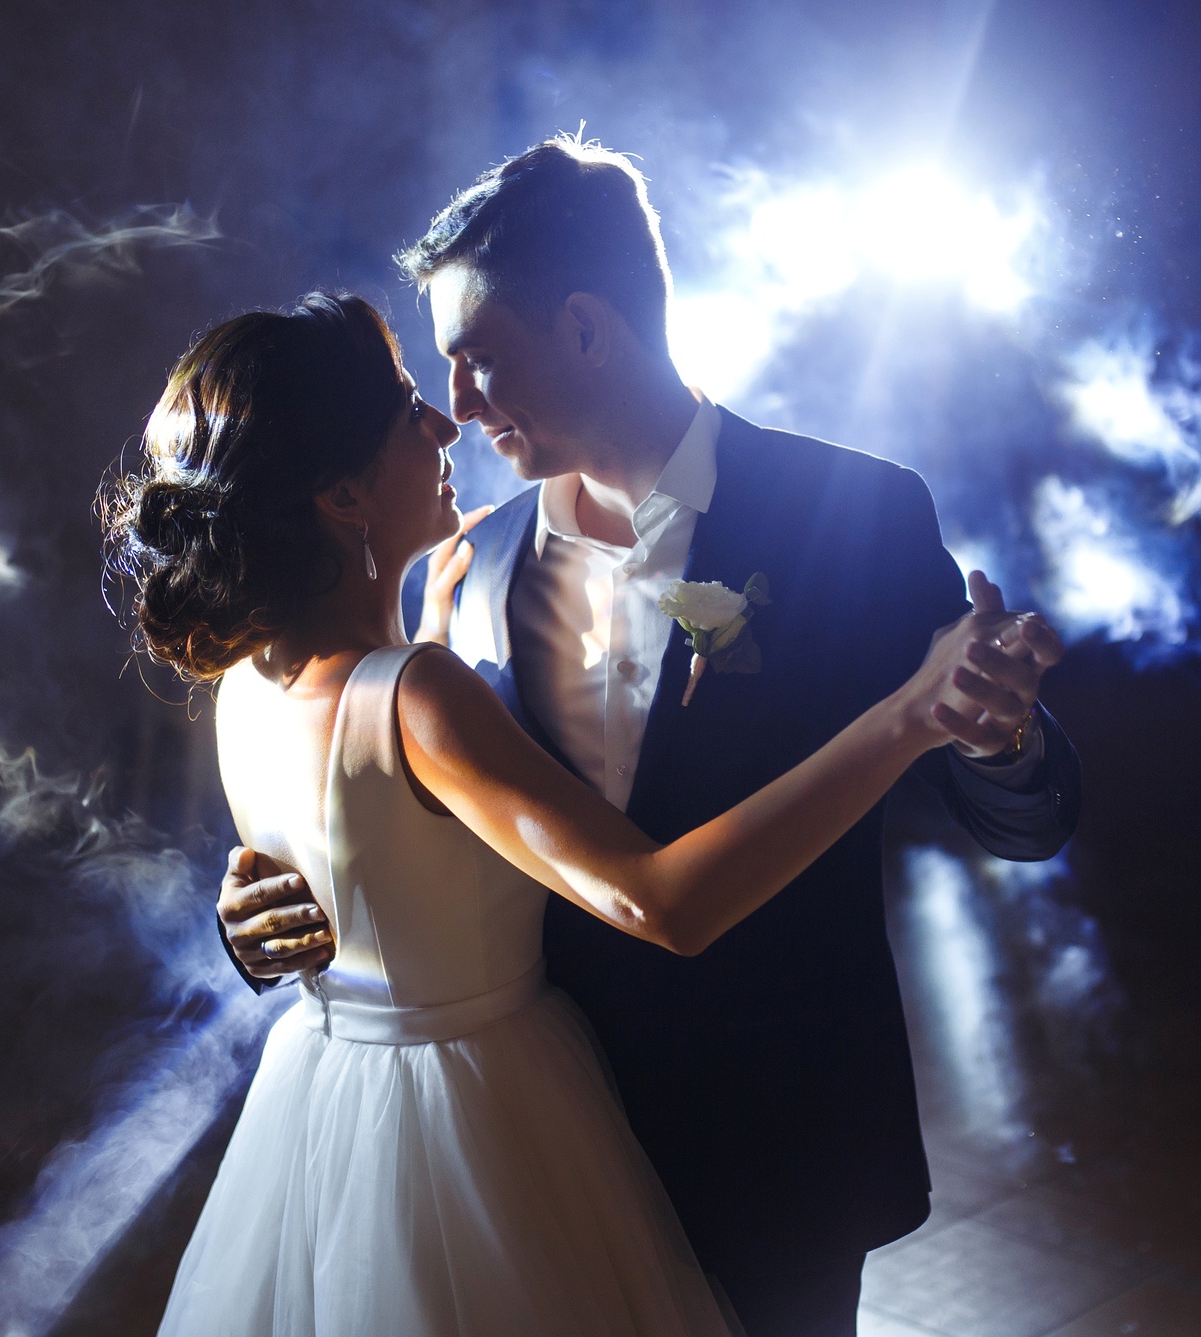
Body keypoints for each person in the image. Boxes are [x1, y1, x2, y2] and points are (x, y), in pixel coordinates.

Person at [216, 137, 1083, 1337]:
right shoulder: (466, 568)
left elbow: (1015, 813)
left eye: (477, 358)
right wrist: (274, 900)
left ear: (584, 327)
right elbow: (411, 816)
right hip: (533, 1150)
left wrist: (995, 732)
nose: (457, 406)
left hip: (778, 1141)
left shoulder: (855, 515)